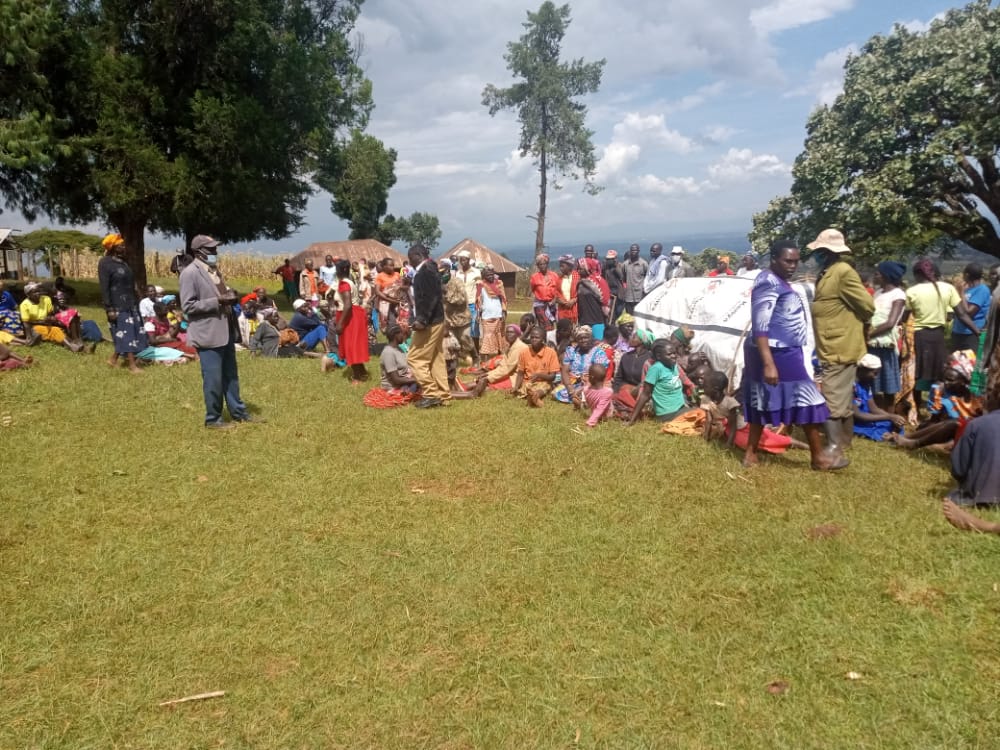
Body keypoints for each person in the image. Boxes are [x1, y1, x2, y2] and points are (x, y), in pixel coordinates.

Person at [743, 239, 845, 470]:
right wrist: (769, 363)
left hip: (786, 350)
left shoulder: (779, 281)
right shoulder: (767, 283)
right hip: (774, 352)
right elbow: (760, 325)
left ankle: (751, 454)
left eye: (796, 261)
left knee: (767, 399)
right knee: (807, 399)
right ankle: (818, 457)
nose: (793, 266)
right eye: (787, 261)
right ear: (774, 260)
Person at [807, 228, 874, 450]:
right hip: (830, 345)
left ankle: (834, 447)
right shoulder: (827, 272)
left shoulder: (843, 272)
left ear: (828, 252)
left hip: (840, 345)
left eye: (820, 251)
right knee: (842, 398)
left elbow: (867, 306)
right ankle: (844, 442)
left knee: (831, 399)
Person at [179, 234, 254, 428]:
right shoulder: (189, 274)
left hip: (225, 330)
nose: (215, 252)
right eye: (210, 249)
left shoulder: (214, 270)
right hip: (208, 334)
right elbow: (188, 307)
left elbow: (220, 293)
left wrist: (231, 295)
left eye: (215, 248)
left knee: (231, 375)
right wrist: (218, 301)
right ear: (198, 252)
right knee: (213, 379)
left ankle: (238, 412)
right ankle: (213, 419)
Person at [905, 258, 978, 414]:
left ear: (917, 275)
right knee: (940, 373)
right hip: (938, 337)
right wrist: (977, 332)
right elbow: (963, 315)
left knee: (917, 373)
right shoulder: (948, 288)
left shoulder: (912, 291)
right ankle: (939, 409)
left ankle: (915, 410)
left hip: (919, 336)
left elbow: (905, 317)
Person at [888, 350, 981, 451]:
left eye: (951, 380)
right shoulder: (940, 389)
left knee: (954, 429)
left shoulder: (975, 398)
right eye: (945, 378)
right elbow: (935, 419)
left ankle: (921, 444)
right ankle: (908, 438)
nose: (946, 382)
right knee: (939, 425)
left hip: (962, 434)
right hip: (942, 429)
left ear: (964, 381)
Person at [407, 244, 450, 408]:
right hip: (437, 320)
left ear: (417, 255)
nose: (409, 261)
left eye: (410, 257)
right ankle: (443, 393)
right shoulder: (431, 269)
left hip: (429, 322)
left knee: (414, 358)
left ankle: (431, 393)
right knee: (435, 358)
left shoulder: (424, 272)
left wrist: (422, 320)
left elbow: (430, 298)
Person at [866, 261, 907, 410]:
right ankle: (878, 415)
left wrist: (869, 334)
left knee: (888, 385)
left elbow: (891, 322)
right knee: (874, 383)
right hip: (873, 343)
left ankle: (890, 417)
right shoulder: (877, 293)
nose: (874, 276)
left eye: (877, 273)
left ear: (885, 276)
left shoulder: (898, 295)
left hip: (885, 344)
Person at [626, 338, 693, 425]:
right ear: (658, 356)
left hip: (680, 409)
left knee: (703, 414)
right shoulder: (656, 369)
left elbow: (686, 381)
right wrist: (632, 420)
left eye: (674, 353)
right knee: (701, 417)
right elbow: (645, 394)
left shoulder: (674, 366)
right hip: (668, 415)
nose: (673, 356)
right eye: (669, 354)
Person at [852, 353, 906, 441]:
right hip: (856, 422)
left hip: (868, 419)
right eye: (874, 373)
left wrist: (892, 416)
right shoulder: (851, 386)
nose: (875, 377)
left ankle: (892, 434)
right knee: (876, 430)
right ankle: (891, 437)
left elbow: (874, 409)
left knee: (891, 423)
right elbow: (858, 415)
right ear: (862, 370)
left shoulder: (866, 384)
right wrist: (889, 417)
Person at [18, 283, 85, 352]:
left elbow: (50, 313)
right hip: (34, 327)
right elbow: (26, 323)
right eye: (35, 292)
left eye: (39, 291)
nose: (38, 293)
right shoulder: (24, 305)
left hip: (47, 322)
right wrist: (29, 336)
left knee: (72, 313)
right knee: (55, 330)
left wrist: (50, 318)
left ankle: (76, 340)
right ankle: (72, 347)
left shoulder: (46, 299)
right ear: (28, 294)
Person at [555, 325, 611, 405]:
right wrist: (570, 388)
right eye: (580, 338)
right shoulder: (571, 351)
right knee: (558, 392)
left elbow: (599, 375)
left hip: (592, 383)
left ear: (591, 338)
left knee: (598, 391)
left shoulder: (598, 353)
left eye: (586, 337)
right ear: (577, 340)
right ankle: (575, 396)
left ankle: (580, 397)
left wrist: (583, 388)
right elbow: (565, 370)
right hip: (573, 383)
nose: (583, 340)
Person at [334, 258, 369, 382]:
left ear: (341, 270)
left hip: (350, 316)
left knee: (351, 346)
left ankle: (357, 377)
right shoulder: (348, 281)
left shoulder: (344, 284)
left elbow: (348, 305)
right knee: (353, 344)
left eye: (336, 268)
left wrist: (340, 323)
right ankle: (362, 372)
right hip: (352, 314)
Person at [469, 323, 528, 396]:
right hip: (509, 374)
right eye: (507, 332)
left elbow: (506, 369)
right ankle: (465, 387)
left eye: (511, 332)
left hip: (516, 379)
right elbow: (502, 366)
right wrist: (487, 374)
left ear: (517, 334)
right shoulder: (512, 345)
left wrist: (488, 377)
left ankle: (467, 389)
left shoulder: (519, 347)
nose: (508, 334)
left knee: (488, 385)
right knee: (483, 381)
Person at [513, 326, 561, 407]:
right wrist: (516, 387)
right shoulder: (524, 352)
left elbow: (552, 377)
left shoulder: (551, 353)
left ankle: (535, 396)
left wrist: (540, 375)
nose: (534, 339)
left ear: (543, 339)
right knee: (526, 387)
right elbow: (520, 373)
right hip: (528, 383)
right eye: (532, 337)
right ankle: (532, 396)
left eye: (537, 337)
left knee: (544, 387)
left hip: (544, 382)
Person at [440, 260, 475, 365]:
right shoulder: (439, 283)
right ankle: (455, 363)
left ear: (449, 271)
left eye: (444, 272)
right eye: (441, 273)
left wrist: (446, 294)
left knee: (466, 339)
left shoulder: (457, 282)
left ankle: (475, 357)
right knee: (451, 342)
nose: (443, 274)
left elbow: (462, 299)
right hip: (449, 319)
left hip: (462, 317)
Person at [612, 328, 654, 416]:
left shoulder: (650, 359)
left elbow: (648, 383)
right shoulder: (626, 356)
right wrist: (614, 391)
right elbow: (619, 378)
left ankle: (630, 409)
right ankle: (632, 409)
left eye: (634, 337)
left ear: (642, 341)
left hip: (641, 391)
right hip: (625, 390)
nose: (631, 338)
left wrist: (636, 390)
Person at [952, 263, 990, 353]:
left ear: (967, 275)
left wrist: (961, 293)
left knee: (970, 363)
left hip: (971, 334)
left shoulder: (982, 290)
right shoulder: (967, 289)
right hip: (958, 332)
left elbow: (969, 312)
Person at [476, 267, 507, 358]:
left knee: (498, 334)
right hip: (486, 314)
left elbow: (504, 299)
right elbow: (478, 300)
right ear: (484, 276)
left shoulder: (499, 284)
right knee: (487, 335)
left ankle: (499, 355)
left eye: (491, 274)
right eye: (488, 275)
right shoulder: (480, 285)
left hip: (498, 313)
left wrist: (504, 311)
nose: (490, 277)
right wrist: (478, 314)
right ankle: (485, 357)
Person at [454, 251, 483, 351]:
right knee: (462, 328)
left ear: (469, 260)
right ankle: (464, 352)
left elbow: (479, 287)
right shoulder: (458, 273)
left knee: (474, 328)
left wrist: (478, 300)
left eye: (464, 260)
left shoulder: (476, 272)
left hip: (473, 303)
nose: (463, 262)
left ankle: (476, 352)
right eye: (461, 260)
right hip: (461, 305)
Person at [576, 258, 607, 341]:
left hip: (596, 319)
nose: (578, 271)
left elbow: (604, 299)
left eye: (581, 269)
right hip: (584, 319)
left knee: (598, 343)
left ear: (587, 268)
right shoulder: (580, 283)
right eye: (578, 268)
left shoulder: (598, 281)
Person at [530, 254, 561, 330]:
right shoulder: (534, 277)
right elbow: (533, 289)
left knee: (551, 322)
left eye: (544, 264)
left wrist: (554, 300)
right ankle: (543, 339)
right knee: (544, 324)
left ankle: (549, 340)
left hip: (552, 303)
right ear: (538, 266)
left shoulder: (554, 276)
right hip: (540, 304)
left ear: (547, 264)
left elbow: (558, 290)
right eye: (540, 264)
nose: (543, 266)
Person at [581, 362, 614, 427]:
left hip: (593, 411)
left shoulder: (586, 390)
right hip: (606, 416)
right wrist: (591, 422)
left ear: (591, 377)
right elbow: (600, 409)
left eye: (588, 375)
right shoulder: (608, 392)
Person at [621, 244, 647, 313]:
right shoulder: (625, 264)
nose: (633, 252)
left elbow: (647, 277)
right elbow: (623, 278)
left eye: (635, 250)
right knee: (629, 316)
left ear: (638, 251)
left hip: (640, 295)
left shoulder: (643, 264)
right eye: (632, 250)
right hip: (628, 296)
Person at [555, 255, 579, 323]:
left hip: (575, 309)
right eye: (560, 266)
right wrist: (559, 300)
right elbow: (556, 293)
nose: (560, 268)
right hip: (563, 310)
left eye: (562, 266)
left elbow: (581, 293)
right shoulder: (559, 279)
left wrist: (574, 300)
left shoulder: (577, 277)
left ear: (570, 266)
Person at [603, 251, 625, 320]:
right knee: (612, 312)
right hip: (610, 292)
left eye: (611, 259)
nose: (609, 261)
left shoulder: (620, 266)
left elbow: (622, 276)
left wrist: (616, 267)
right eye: (608, 259)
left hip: (619, 293)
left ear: (615, 259)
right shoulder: (606, 268)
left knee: (619, 311)